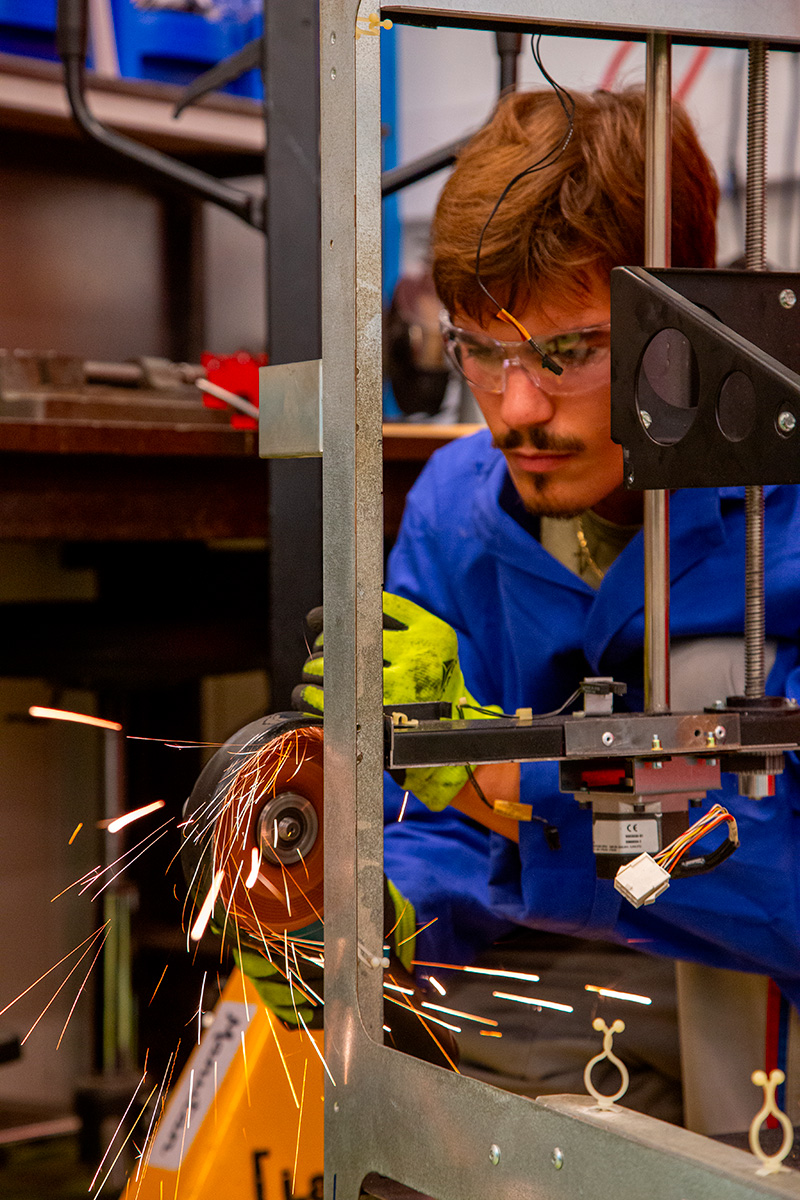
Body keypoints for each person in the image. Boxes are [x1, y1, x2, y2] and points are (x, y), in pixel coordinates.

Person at [296, 87, 800, 1130]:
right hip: (543, 983)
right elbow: (423, 825)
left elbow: (774, 854)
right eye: (480, 349)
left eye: (564, 354)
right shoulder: (454, 508)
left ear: (686, 325)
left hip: (752, 1001)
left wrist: (501, 775)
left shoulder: (778, 526)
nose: (514, 408)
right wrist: (372, 915)